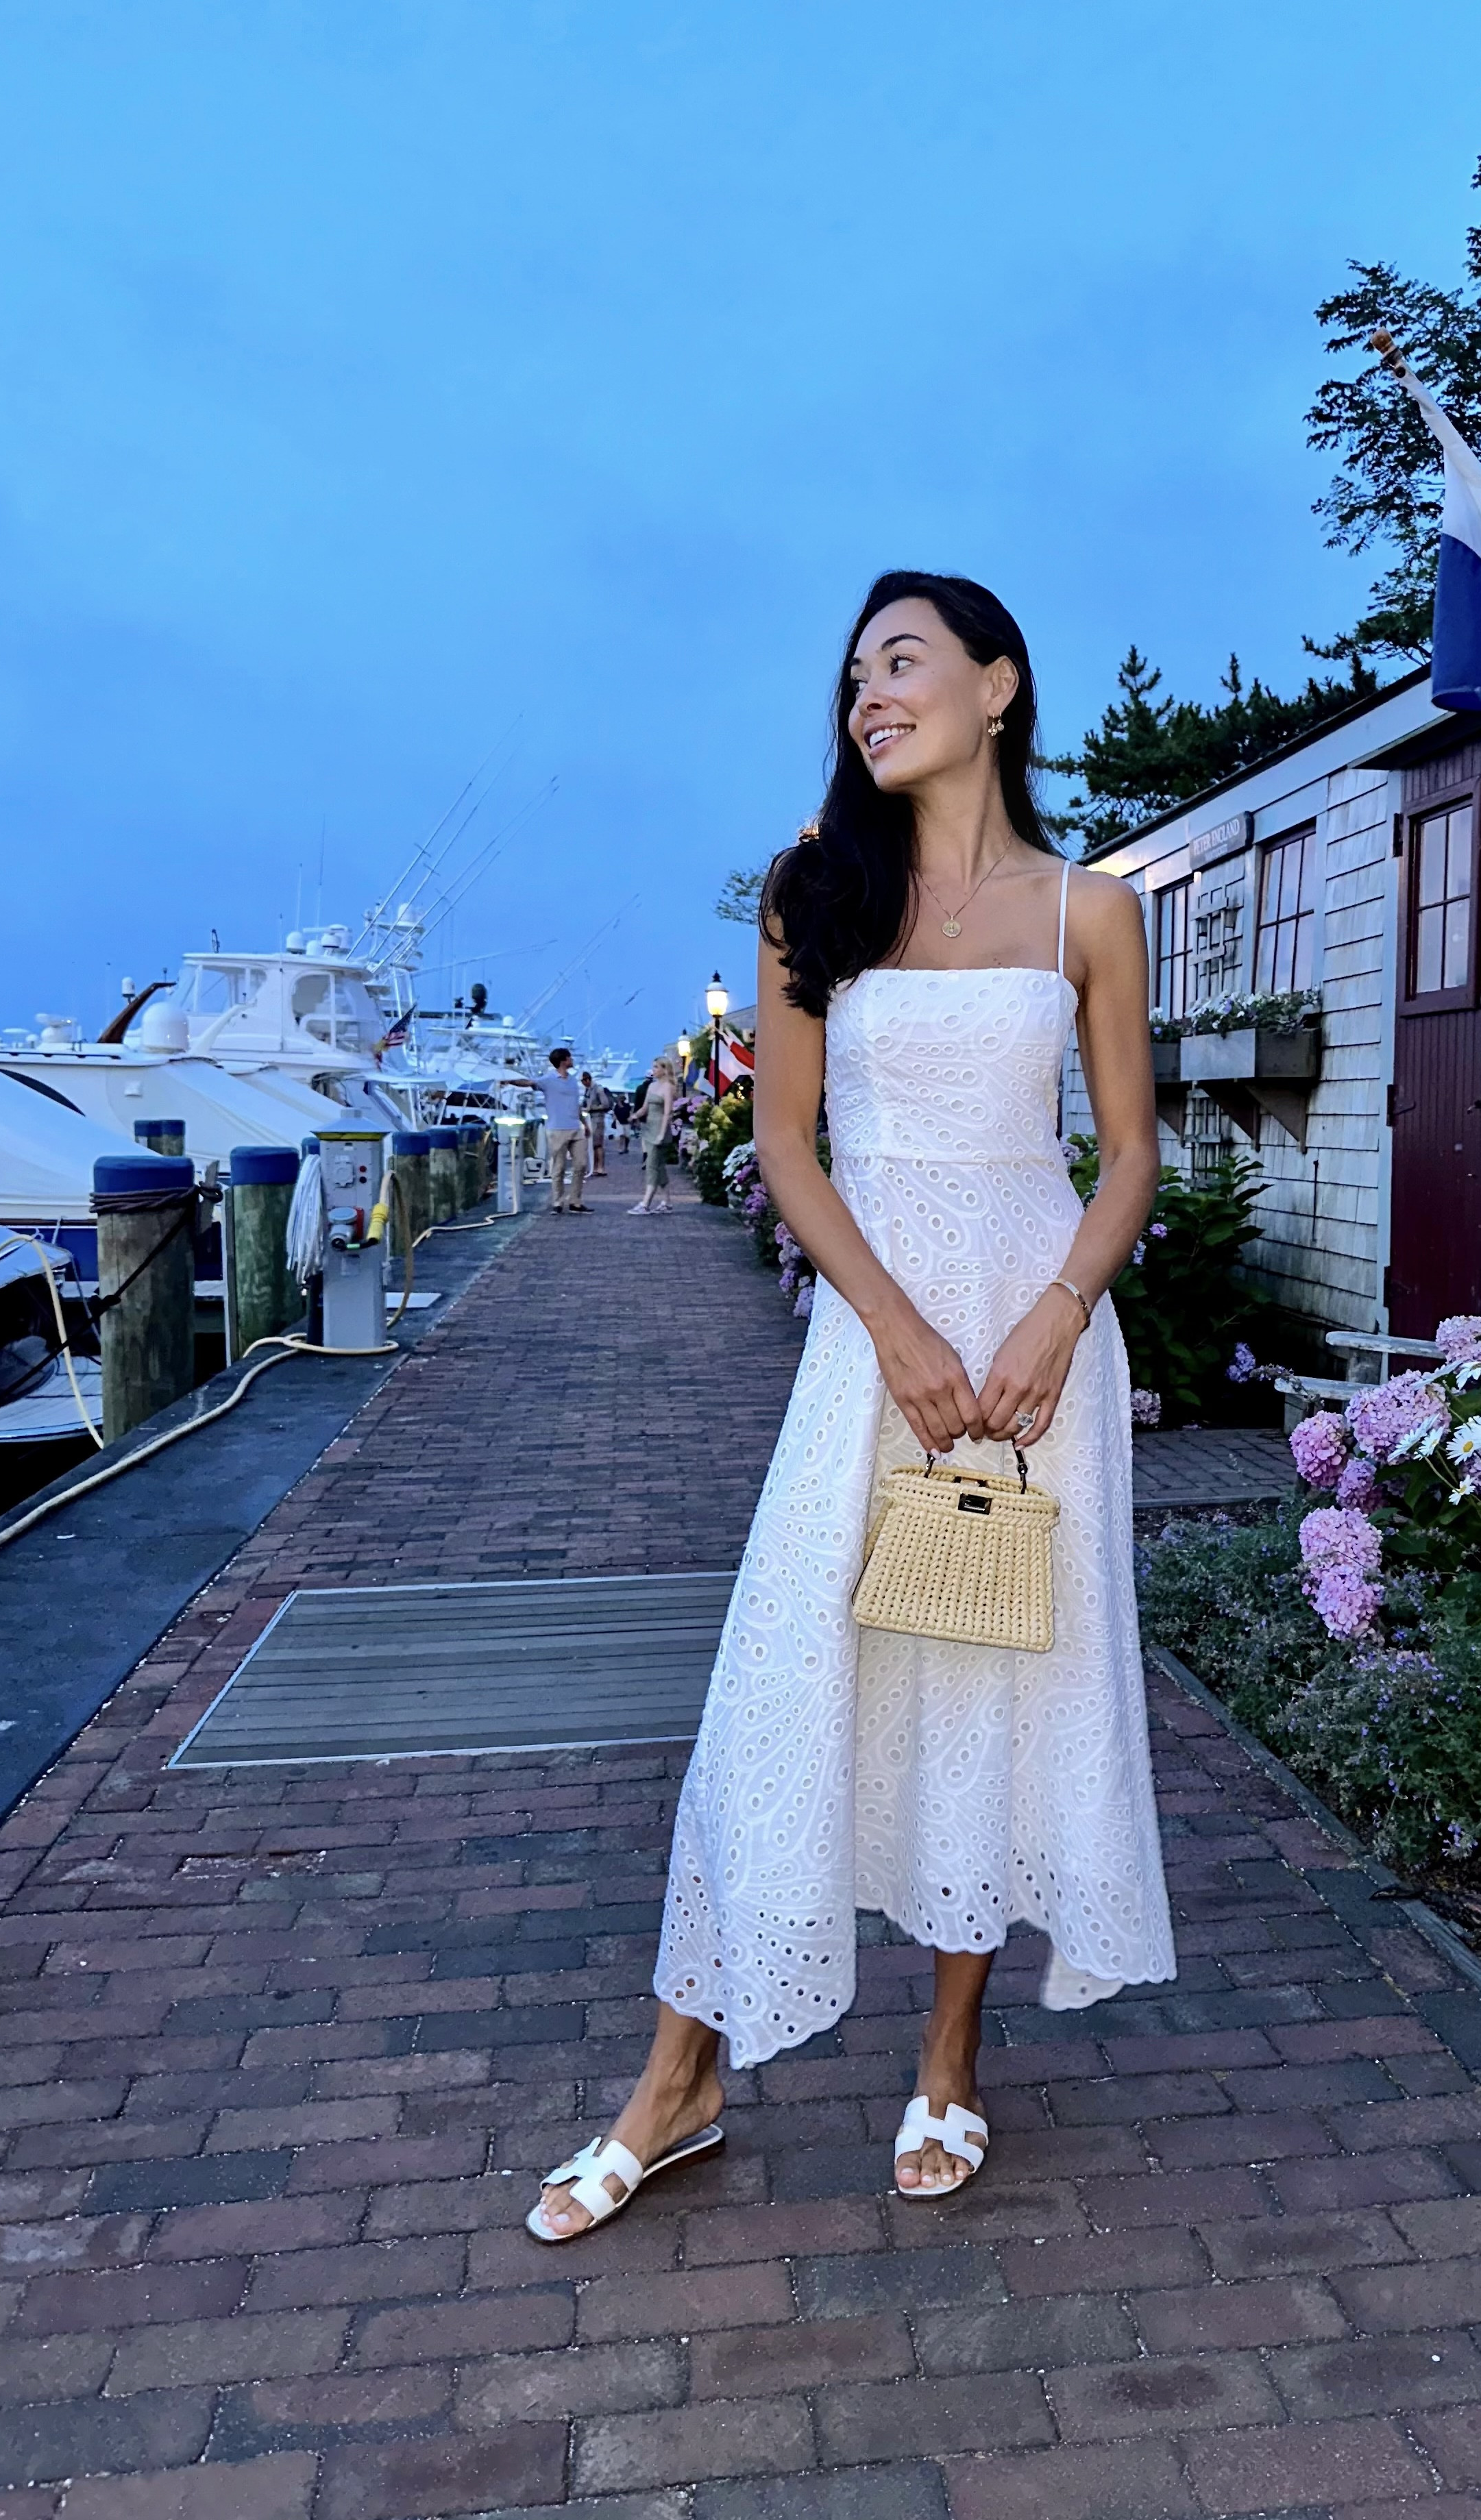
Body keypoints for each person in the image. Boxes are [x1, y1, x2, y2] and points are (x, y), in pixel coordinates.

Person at [528, 571, 1174, 2240]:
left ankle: (951, 2062)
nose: (869, 697)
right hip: (874, 1339)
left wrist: (1054, 1316)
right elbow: (787, 1147)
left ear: (999, 687)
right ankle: (680, 2080)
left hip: (1040, 1343)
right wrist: (887, 1324)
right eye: (854, 677)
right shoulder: (813, 889)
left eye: (904, 664)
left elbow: (1130, 1160)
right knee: (780, 1678)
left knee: (989, 1668)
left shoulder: (1087, 911)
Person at [526, 1047, 588, 1213]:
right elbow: (529, 1082)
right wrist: (508, 1081)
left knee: (581, 1165)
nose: (572, 1060)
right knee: (558, 1167)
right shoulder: (548, 1080)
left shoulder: (573, 1080)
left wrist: (584, 1123)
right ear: (564, 1060)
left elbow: (576, 1105)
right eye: (570, 1058)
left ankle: (575, 1201)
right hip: (557, 1129)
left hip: (576, 1128)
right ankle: (558, 1202)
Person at [631, 1055, 678, 1213]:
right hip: (649, 1128)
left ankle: (646, 1203)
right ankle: (667, 1202)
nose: (654, 1070)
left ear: (665, 1070)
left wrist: (661, 1134)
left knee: (651, 1166)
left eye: (657, 1067)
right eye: (653, 1067)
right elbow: (645, 1108)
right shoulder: (652, 1087)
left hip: (660, 1130)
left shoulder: (669, 1087)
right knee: (659, 1167)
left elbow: (668, 1113)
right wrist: (635, 1115)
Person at [580, 1071, 611, 1176]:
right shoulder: (588, 1090)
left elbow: (606, 1105)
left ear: (587, 1080)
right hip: (590, 1119)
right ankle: (594, 1167)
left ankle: (601, 1167)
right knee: (592, 1144)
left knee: (598, 1144)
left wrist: (591, 1108)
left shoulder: (598, 1089)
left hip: (598, 1119)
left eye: (583, 1081)